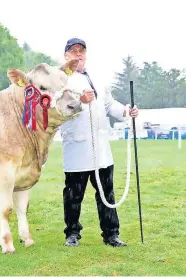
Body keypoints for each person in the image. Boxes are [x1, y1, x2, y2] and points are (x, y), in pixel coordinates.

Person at [60, 38, 139, 247]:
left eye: (81, 51)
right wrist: (80, 102)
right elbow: (59, 108)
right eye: (74, 51)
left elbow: (109, 104)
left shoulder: (98, 77)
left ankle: (111, 234)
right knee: (73, 194)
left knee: (107, 193)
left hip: (101, 148)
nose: (78, 54)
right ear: (66, 55)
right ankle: (72, 233)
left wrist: (125, 111)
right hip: (77, 147)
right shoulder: (61, 79)